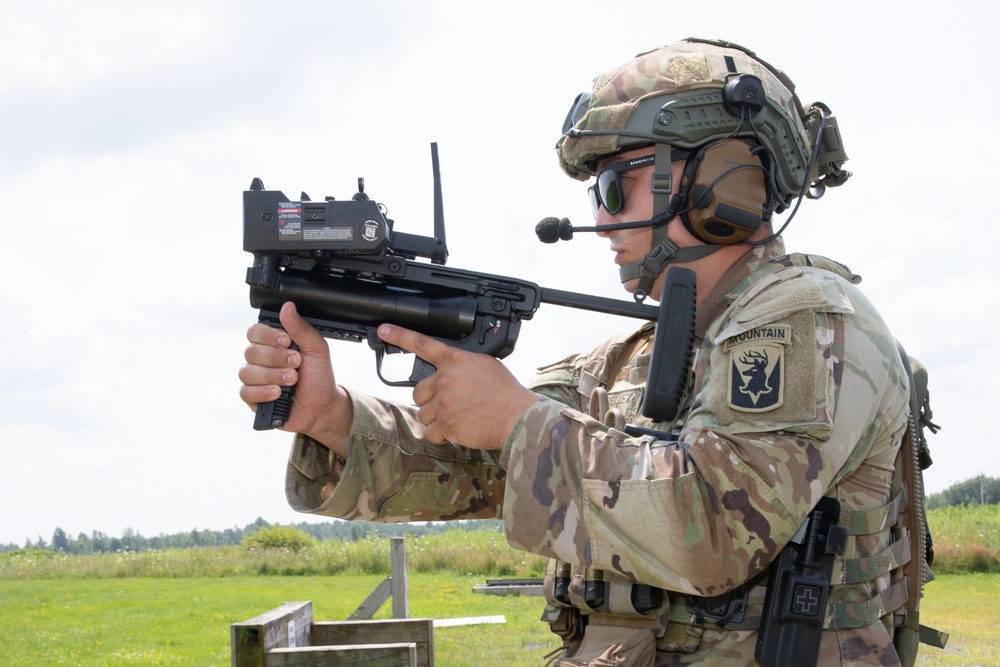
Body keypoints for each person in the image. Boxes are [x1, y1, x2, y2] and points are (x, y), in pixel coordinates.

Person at [240, 38, 933, 666]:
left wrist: (516, 420)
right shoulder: (626, 360)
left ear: (722, 181)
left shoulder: (811, 318)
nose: (602, 218)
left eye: (614, 185)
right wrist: (329, 416)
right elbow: (478, 463)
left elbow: (715, 527)